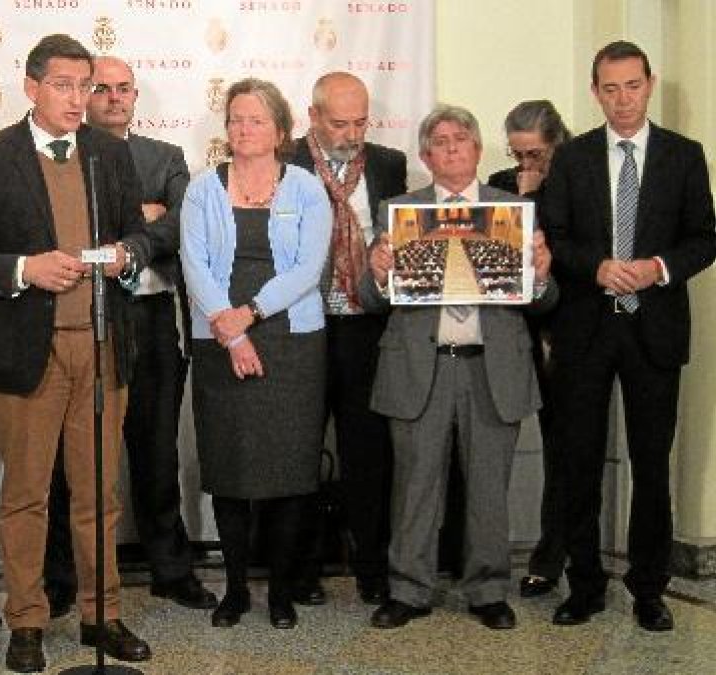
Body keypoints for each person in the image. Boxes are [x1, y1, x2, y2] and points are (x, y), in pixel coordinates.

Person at [0, 34, 155, 673]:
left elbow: (139, 234)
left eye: (85, 85)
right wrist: (23, 268)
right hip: (27, 352)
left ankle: (102, 613)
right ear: (32, 86)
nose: (77, 98)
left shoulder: (108, 154)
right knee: (27, 496)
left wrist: (131, 256)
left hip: (102, 345)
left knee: (100, 495)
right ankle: (28, 619)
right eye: (64, 85)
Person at [541, 41, 716, 632]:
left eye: (632, 86)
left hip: (655, 329)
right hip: (587, 329)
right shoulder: (573, 158)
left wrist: (658, 268)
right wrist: (594, 266)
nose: (622, 99)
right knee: (579, 462)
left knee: (650, 464)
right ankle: (584, 583)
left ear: (650, 84)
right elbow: (555, 235)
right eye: (610, 88)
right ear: (596, 91)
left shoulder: (684, 156)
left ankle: (649, 587)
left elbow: (704, 238)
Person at [362, 104, 556, 631]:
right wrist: (377, 272)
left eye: (461, 139)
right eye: (440, 141)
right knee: (415, 486)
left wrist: (538, 273)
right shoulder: (398, 210)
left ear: (476, 149)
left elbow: (543, 301)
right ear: (425, 156)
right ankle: (408, 589)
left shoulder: (513, 210)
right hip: (419, 368)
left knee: (490, 488)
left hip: (491, 369)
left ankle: (489, 590)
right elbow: (372, 299)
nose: (451, 147)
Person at [40, 54, 216, 614]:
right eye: (102, 89)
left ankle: (170, 568)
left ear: (135, 98)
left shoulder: (164, 156)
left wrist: (132, 227)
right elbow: (67, 227)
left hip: (152, 318)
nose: (114, 98)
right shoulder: (64, 154)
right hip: (80, 315)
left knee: (156, 447)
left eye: (125, 90)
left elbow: (182, 223)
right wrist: (142, 215)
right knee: (73, 455)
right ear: (84, 96)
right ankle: (65, 578)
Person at [181, 77, 332, 630]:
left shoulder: (306, 189)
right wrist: (233, 331)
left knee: (289, 470)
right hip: (219, 337)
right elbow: (194, 266)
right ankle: (237, 589)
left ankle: (283, 594)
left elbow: (306, 269)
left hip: (291, 340)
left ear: (281, 132)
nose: (243, 129)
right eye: (236, 119)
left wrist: (252, 316)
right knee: (230, 467)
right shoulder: (202, 189)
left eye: (256, 120)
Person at [288, 71, 407, 605]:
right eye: (340, 122)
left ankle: (371, 568)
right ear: (312, 117)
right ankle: (302, 570)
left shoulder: (388, 164)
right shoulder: (285, 161)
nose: (352, 133)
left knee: (368, 453)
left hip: (365, 324)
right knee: (301, 452)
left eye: (361, 121)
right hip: (302, 325)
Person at [485, 99, 572, 599]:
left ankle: (552, 554)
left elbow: (562, 247)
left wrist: (536, 197)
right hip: (513, 332)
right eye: (518, 155)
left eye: (535, 155)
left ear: (555, 143)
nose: (525, 166)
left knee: (564, 448)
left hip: (566, 330)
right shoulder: (502, 182)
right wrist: (522, 195)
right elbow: (499, 253)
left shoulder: (577, 174)